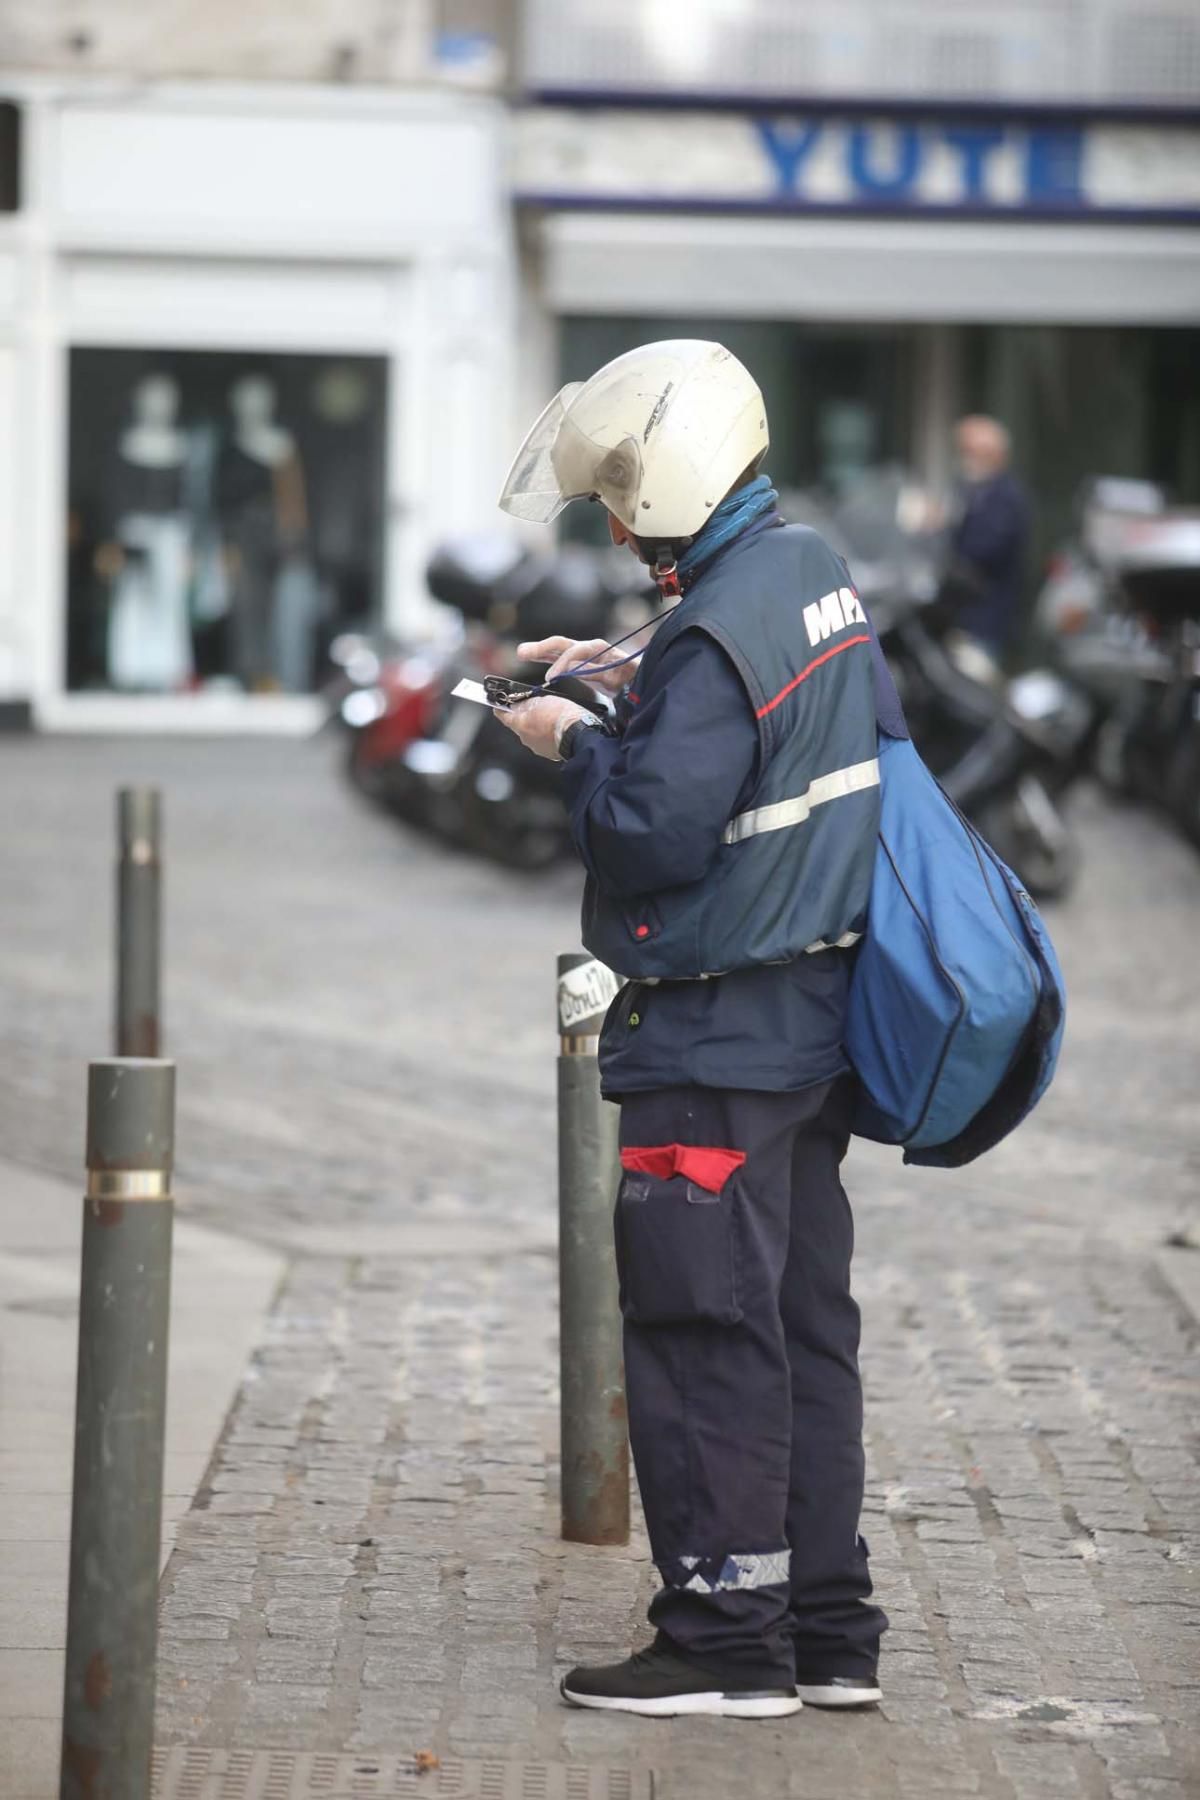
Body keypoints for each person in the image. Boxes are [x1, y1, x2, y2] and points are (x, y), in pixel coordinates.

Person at [495, 341, 888, 1721]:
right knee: (796, 1328)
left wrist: (567, 739)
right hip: (812, 1026)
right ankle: (827, 1633)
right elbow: (782, 728)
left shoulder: (714, 631)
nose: (612, 522)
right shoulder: (808, 572)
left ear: (668, 478)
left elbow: (654, 830)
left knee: (703, 1326)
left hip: (718, 1039)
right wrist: (616, 670)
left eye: (618, 498)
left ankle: (725, 1639)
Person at [944, 414, 1031, 658]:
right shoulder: (967, 490)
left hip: (985, 620)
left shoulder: (1006, 499)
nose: (967, 459)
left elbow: (982, 549)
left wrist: (946, 526)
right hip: (959, 617)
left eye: (974, 452)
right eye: (964, 451)